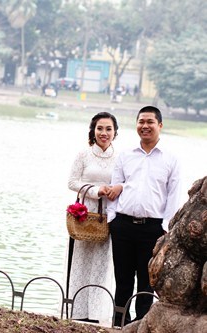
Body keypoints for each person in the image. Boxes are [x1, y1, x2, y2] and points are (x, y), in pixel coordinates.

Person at [107, 105, 182, 326]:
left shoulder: (170, 159)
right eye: (141, 122)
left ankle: (141, 324)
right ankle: (119, 322)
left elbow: (173, 196)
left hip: (153, 228)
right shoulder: (125, 156)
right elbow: (114, 187)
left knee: (147, 281)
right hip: (122, 225)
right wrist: (113, 219)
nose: (145, 126)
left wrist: (165, 228)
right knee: (122, 279)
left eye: (150, 122)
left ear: (160, 125)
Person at [67, 112, 119, 324]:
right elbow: (71, 182)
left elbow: (125, 182)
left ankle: (96, 314)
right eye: (100, 128)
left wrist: (116, 189)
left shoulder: (121, 158)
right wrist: (96, 191)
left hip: (108, 215)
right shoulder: (83, 154)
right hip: (84, 214)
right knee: (80, 261)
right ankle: (77, 312)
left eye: (108, 129)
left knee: (101, 263)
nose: (104, 133)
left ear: (115, 132)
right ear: (93, 131)